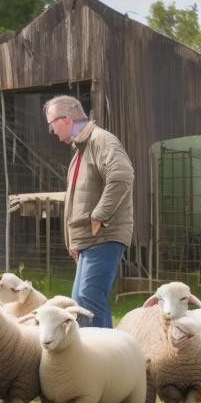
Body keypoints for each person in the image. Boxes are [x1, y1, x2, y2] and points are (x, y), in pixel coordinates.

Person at [44, 95, 134, 328]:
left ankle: (105, 358)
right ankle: (94, 358)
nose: (51, 132)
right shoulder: (80, 152)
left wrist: (99, 216)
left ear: (64, 120)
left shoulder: (101, 140)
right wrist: (76, 241)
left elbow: (122, 176)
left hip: (103, 235)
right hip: (88, 241)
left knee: (89, 298)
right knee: (80, 301)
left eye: (50, 124)